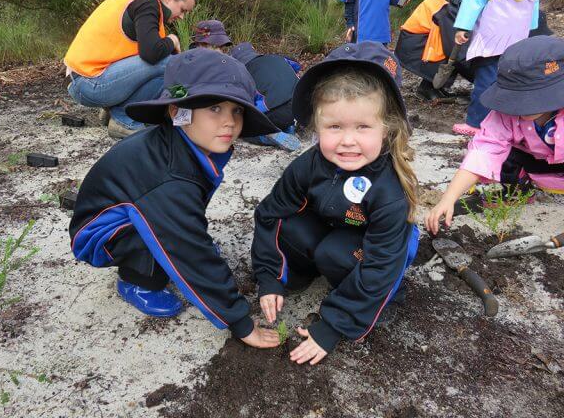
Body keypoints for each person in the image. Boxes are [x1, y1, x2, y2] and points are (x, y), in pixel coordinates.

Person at [69, 48, 280, 349]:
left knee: (175, 221)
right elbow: (188, 247)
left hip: (144, 207)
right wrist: (241, 322)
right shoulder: (169, 174)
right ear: (177, 112)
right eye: (214, 109)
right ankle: (136, 281)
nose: (230, 122)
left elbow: (186, 209)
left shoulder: (186, 145)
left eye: (237, 110)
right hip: (97, 233)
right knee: (172, 238)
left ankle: (155, 253)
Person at [251, 42, 420, 365]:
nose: (347, 140)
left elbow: (380, 265)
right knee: (292, 227)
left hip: (382, 250)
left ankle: (374, 303)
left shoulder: (389, 191)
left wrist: (332, 326)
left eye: (363, 127)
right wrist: (269, 276)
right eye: (334, 127)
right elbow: (270, 214)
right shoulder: (308, 165)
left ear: (387, 128)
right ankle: (298, 274)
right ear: (316, 127)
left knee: (336, 254)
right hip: (334, 221)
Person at [426, 35, 564, 235]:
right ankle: (518, 191)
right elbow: (483, 151)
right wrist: (449, 198)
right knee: (503, 157)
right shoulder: (504, 115)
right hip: (534, 162)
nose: (521, 106)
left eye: (529, 97)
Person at [64, 0, 197, 139]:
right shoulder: (147, 2)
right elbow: (151, 53)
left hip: (87, 79)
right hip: (86, 83)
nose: (182, 17)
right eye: (183, 10)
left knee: (164, 69)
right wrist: (172, 40)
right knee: (169, 63)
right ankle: (125, 120)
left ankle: (117, 111)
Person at [451, 0, 544, 136]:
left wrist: (463, 26)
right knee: (513, 73)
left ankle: (476, 123)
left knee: (487, 75)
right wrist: (531, 25)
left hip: (494, 28)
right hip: (520, 28)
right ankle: (511, 122)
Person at [395, 0, 475, 102]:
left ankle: (434, 87)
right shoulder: (453, 3)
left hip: (420, 38)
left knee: (452, 47)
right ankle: (427, 89)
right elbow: (455, 46)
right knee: (453, 49)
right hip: (416, 42)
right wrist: (479, 77)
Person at [231, 42, 302, 152]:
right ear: (253, 51)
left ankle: (269, 135)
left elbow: (245, 104)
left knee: (242, 127)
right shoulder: (279, 58)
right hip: (300, 107)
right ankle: (289, 127)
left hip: (277, 114)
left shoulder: (243, 74)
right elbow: (297, 67)